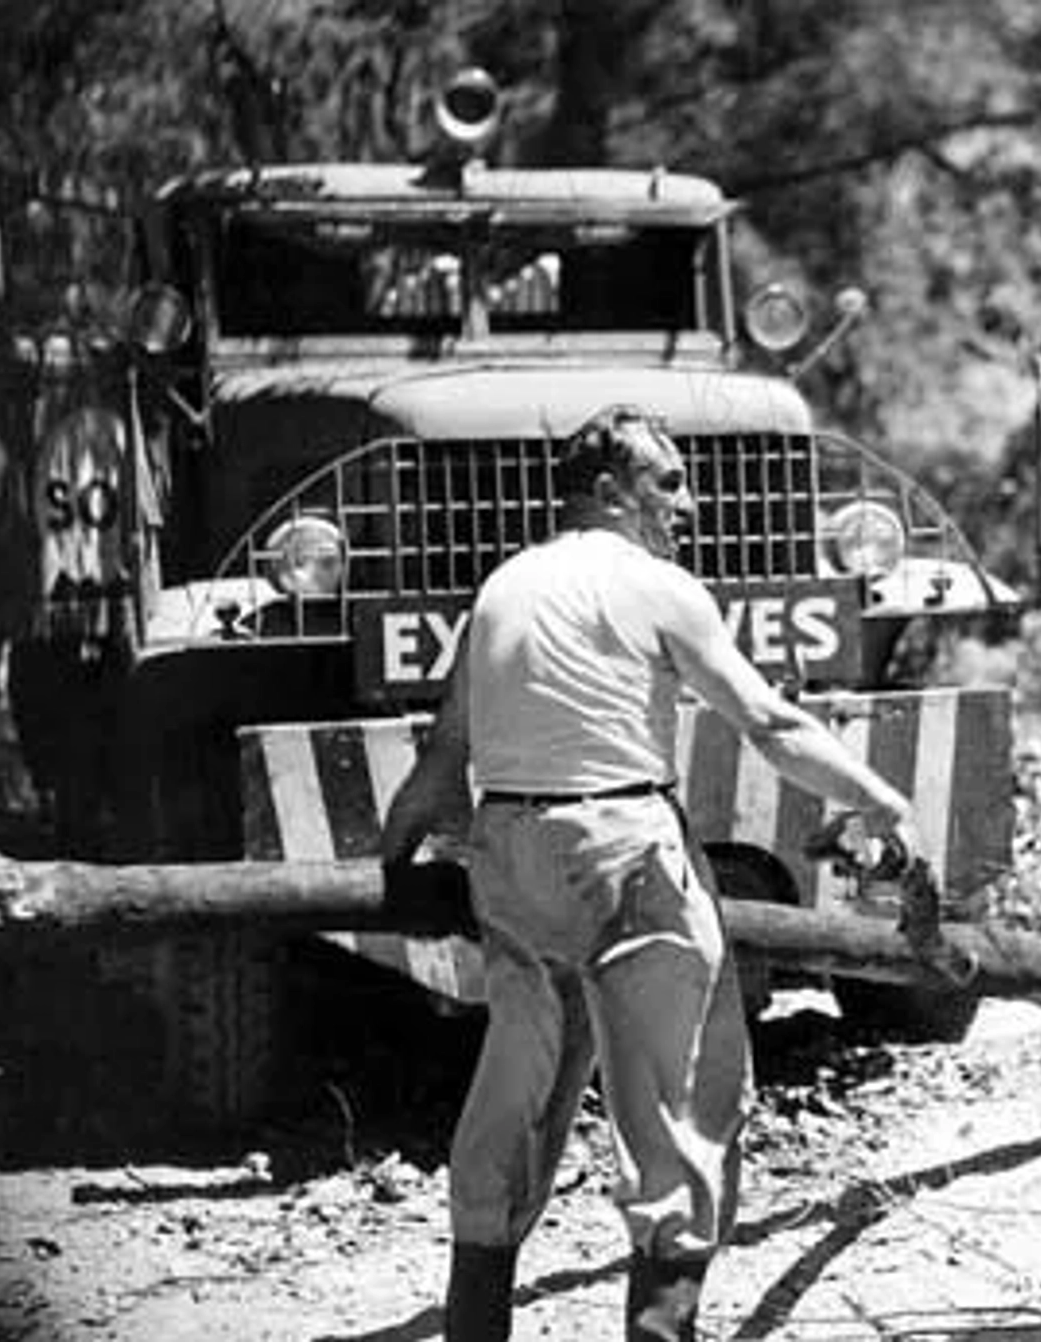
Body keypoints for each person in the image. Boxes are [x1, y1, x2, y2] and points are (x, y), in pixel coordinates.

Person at [379, 406, 920, 1342]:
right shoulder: (657, 586)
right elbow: (771, 725)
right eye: (668, 482)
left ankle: (474, 1325)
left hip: (509, 852)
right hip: (625, 847)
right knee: (679, 1100)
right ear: (608, 491)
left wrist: (395, 864)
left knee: (519, 1085)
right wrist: (883, 801)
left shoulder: (502, 588)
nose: (689, 503)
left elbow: (442, 759)